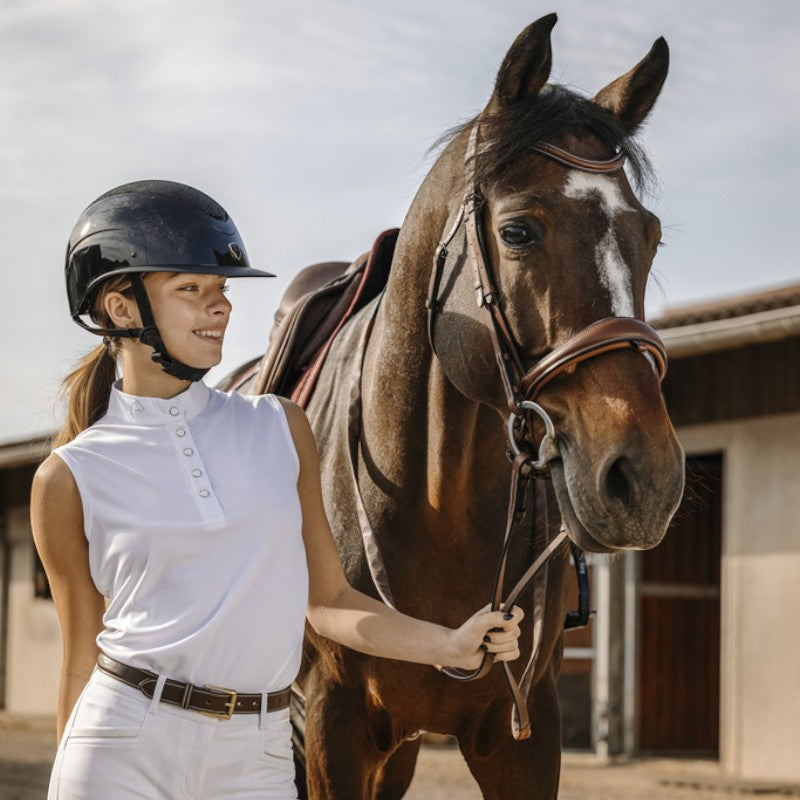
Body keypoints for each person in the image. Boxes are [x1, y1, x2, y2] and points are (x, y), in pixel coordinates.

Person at [31, 180, 523, 800]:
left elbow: (329, 600)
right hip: (120, 746)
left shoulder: (280, 427)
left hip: (255, 754)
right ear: (121, 309)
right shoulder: (67, 476)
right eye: (191, 289)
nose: (221, 307)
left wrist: (447, 643)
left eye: (222, 290)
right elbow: (81, 653)